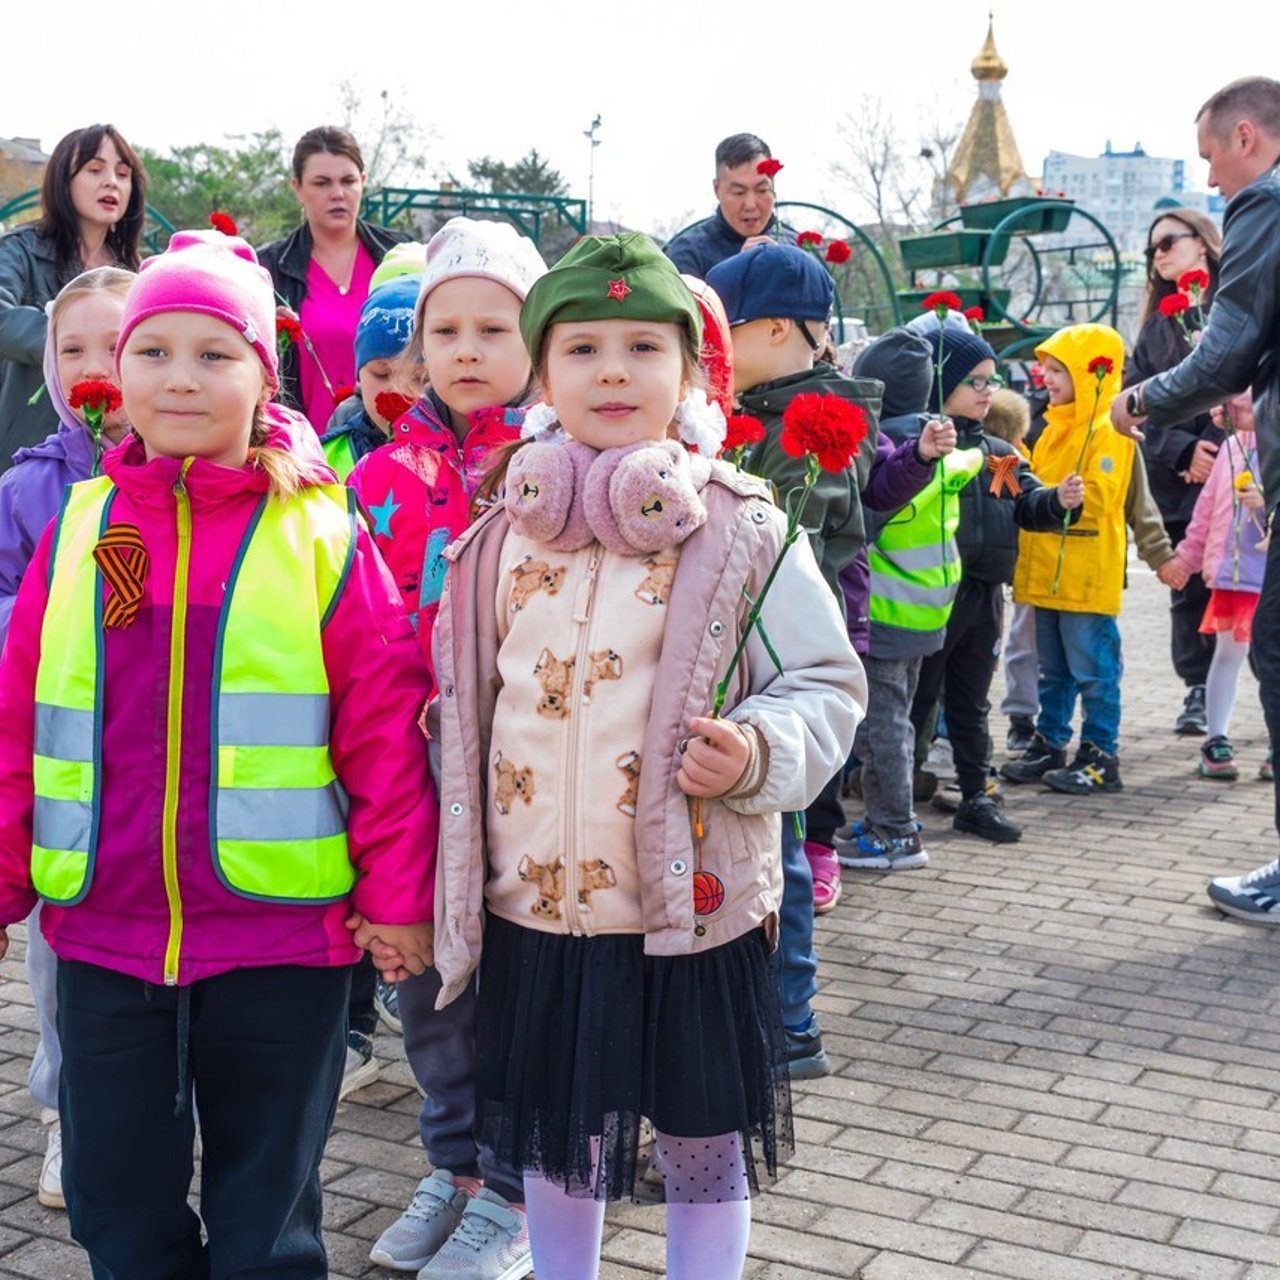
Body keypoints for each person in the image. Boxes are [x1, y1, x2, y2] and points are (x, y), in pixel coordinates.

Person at [415, 233, 863, 1280]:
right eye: (580, 348)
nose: (611, 370)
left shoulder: (745, 526)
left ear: (691, 370)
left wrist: (755, 750)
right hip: (538, 911)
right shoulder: (499, 535)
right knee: (557, 1142)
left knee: (703, 1148)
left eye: (640, 346)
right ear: (540, 371)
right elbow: (468, 704)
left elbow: (827, 681)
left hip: (688, 911)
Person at [0, 229, 436, 1275]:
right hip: (105, 936)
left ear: (263, 374)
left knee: (265, 1223)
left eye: (213, 352)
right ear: (120, 373)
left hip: (282, 946)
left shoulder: (323, 533)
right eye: (153, 351)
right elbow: (21, 722)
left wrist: (398, 894)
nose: (179, 377)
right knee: (116, 1209)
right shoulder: (81, 528)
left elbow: (381, 727)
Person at [362, 216, 547, 1280]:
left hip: (526, 766)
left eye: (494, 326)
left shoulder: (562, 463)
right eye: (446, 328)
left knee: (518, 978)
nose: (467, 349)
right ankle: (456, 1166)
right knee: (425, 976)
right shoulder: (378, 473)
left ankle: (519, 1186)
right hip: (410, 764)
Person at [707, 241, 933, 1069]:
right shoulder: (768, 410)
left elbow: (803, 538)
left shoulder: (813, 428)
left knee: (781, 839)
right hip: (745, 651)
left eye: (724, 331)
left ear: (772, 328)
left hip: (786, 664)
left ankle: (792, 1018)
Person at [1108, 77, 1280, 920]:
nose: (1212, 178)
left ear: (1245, 137)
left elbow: (1227, 354)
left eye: (1212, 155)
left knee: (1273, 653)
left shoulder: (1266, 206)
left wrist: (1135, 405)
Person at [0, 265, 133, 1211]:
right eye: (73, 349)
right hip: (61, 766)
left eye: (118, 348)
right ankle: (64, 1113)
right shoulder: (28, 486)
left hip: (157, 762)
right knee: (59, 944)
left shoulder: (193, 483)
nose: (96, 370)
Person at [900, 326, 1082, 846]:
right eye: (974, 381)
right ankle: (891, 790)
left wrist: (1058, 501)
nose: (987, 390)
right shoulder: (923, 445)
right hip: (934, 594)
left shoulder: (997, 452)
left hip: (983, 595)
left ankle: (976, 794)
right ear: (941, 384)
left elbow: (1024, 503)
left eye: (991, 380)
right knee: (916, 698)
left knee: (972, 701)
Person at [837, 328, 980, 872]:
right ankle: (891, 822)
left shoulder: (884, 446)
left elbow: (863, 522)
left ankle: (894, 833)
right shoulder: (941, 443)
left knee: (883, 729)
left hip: (885, 613)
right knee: (902, 720)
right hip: (928, 610)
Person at [1007, 324, 1144, 794]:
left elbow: (1104, 497)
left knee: (1094, 671)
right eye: (1045, 368)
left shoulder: (1110, 429)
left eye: (1057, 370)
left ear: (1090, 374)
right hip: (1048, 570)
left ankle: (1101, 754)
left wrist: (1067, 496)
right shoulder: (1053, 427)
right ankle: (1052, 741)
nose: (1045, 377)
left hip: (1084, 577)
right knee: (1055, 671)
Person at [1126, 207, 1225, 737]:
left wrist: (1212, 446)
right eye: (1151, 250)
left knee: (1242, 589)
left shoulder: (1236, 307)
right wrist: (1182, 452)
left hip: (1235, 475)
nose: (1158, 255)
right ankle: (1198, 690)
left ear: (1203, 244)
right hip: (1175, 479)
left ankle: (1239, 697)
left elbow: (1240, 382)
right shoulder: (1155, 326)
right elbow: (1135, 401)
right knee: (1185, 589)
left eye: (1167, 242)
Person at [0, 124, 146, 471]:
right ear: (62, 180)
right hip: (28, 446)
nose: (111, 181)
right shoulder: (20, 249)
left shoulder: (135, 272)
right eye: (95, 169)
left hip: (116, 451)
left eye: (122, 174)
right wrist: (66, 342)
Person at [258, 127, 407, 433]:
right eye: (322, 183)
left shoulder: (400, 256)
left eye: (348, 181)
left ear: (363, 183)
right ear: (298, 187)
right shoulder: (268, 269)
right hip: (300, 450)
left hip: (388, 448)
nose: (337, 193)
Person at [1169, 391, 1271, 780]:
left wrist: (1264, 503)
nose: (1224, 412)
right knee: (1226, 654)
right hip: (1233, 576)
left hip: (1268, 573)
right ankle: (1216, 738)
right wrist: (1184, 561)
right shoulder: (1230, 448)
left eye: (1237, 404)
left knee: (1272, 661)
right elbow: (1205, 512)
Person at [320, 270, 422, 481]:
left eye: (420, 378)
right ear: (359, 378)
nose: (398, 391)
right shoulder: (329, 459)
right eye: (381, 374)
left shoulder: (470, 459)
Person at [665, 134, 780, 278]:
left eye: (762, 190)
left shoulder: (795, 247)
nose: (750, 205)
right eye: (738, 192)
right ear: (717, 189)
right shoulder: (689, 252)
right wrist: (738, 270)